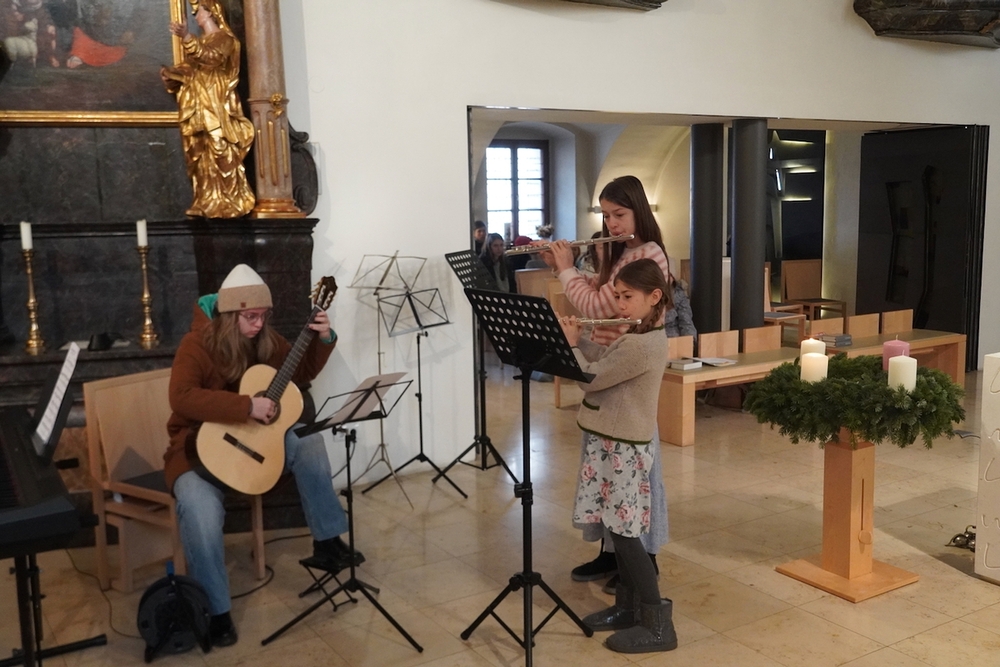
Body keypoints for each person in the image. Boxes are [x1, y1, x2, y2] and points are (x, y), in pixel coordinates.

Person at [164, 264, 360, 648]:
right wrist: (245, 407)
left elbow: (300, 371)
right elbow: (181, 397)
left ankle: (326, 542)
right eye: (250, 317)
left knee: (308, 440)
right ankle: (216, 611)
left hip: (256, 446)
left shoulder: (265, 340)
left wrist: (323, 337)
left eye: (263, 316)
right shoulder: (197, 344)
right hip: (196, 451)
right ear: (229, 315)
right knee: (199, 510)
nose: (258, 324)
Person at [541, 175, 669, 590]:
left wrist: (566, 270)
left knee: (635, 485)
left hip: (626, 373)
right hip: (607, 357)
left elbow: (600, 305)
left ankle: (643, 562)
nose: (612, 224)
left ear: (639, 212)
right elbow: (599, 292)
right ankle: (610, 554)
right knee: (605, 477)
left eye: (620, 214)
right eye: (607, 215)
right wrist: (565, 266)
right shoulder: (622, 251)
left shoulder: (648, 253)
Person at [559, 258, 677, 654]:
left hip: (624, 448)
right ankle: (626, 608)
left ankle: (659, 625)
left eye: (627, 297)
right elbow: (606, 362)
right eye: (617, 296)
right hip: (612, 441)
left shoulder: (642, 344)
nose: (620, 305)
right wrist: (580, 341)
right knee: (615, 528)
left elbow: (591, 378)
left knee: (626, 535)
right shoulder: (637, 336)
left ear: (654, 297)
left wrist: (571, 345)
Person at [161, 0, 255, 219]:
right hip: (198, 107)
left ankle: (231, 200)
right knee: (200, 153)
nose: (196, 17)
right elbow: (191, 68)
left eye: (198, 12)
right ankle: (207, 200)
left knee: (220, 148)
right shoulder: (202, 41)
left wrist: (186, 37)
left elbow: (211, 58)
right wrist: (172, 74)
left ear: (212, 13)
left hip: (217, 105)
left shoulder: (225, 39)